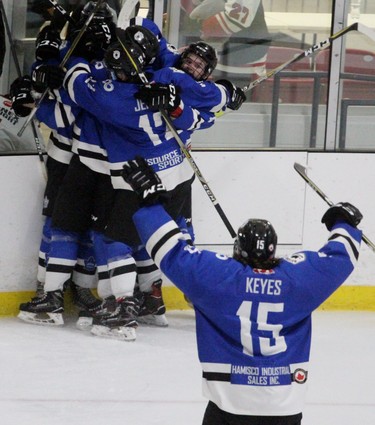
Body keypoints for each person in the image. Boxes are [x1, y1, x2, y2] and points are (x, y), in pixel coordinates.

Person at [122, 156, 363, 425]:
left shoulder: (218, 277)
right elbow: (342, 257)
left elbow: (171, 250)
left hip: (229, 404)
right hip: (284, 406)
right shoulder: (298, 279)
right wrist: (345, 225)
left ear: (238, 248)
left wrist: (151, 204)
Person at [185, 0, 270, 90]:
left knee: (234, 98)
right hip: (217, 56)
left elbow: (234, 19)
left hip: (242, 58)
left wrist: (196, 28)